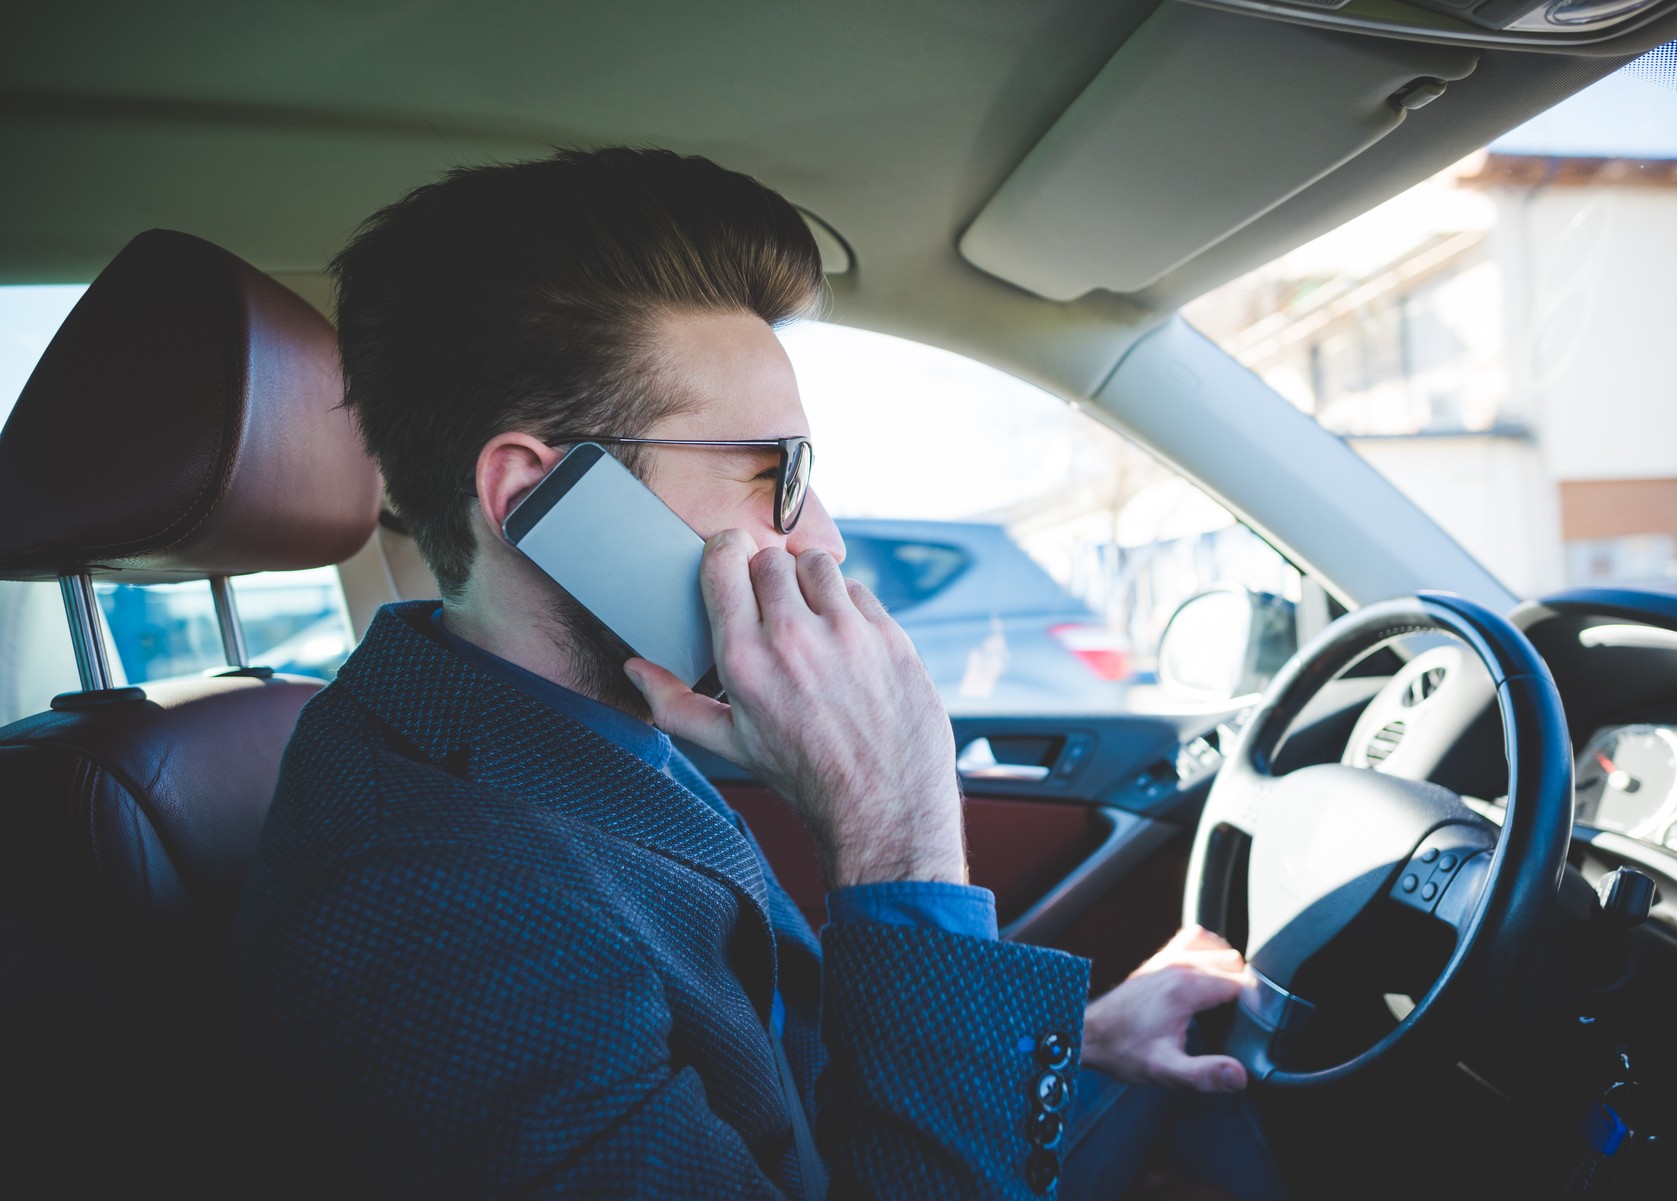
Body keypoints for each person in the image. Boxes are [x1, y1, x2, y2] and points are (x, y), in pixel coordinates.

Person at [234, 146, 1283, 1200]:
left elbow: (775, 1061)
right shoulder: (440, 917)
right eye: (765, 470)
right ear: (534, 498)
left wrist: (1081, 1040)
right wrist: (899, 829)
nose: (820, 535)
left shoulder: (585, 719)